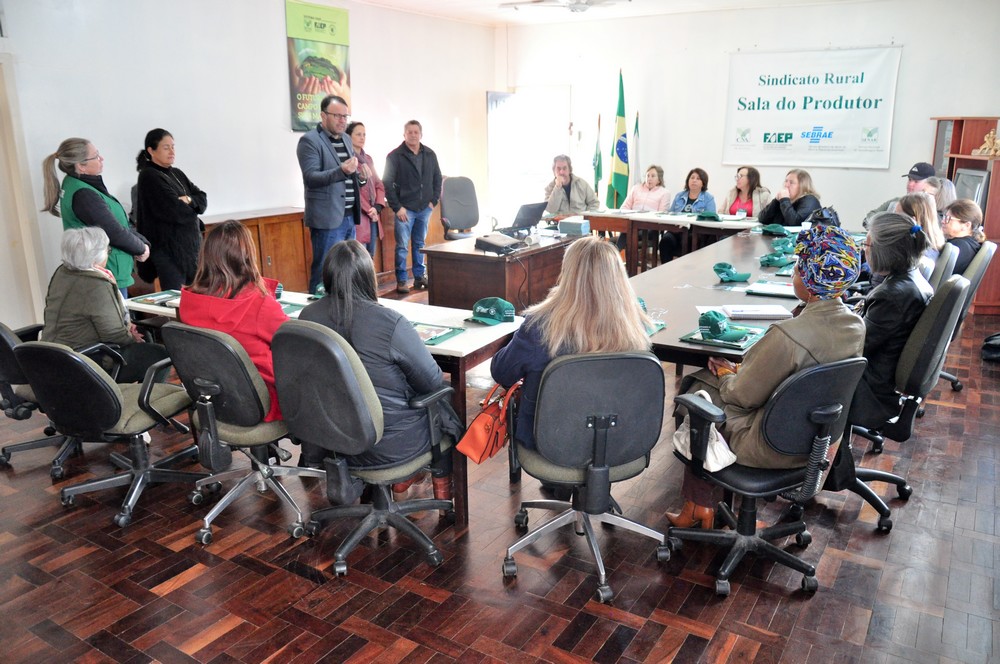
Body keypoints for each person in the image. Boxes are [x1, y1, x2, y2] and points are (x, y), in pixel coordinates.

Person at [668, 224, 865, 528]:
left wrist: (727, 373)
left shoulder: (788, 335)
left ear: (809, 281)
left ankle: (698, 507)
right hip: (815, 442)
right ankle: (705, 506)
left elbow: (741, 397)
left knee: (696, 389)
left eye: (798, 267)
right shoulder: (855, 326)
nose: (794, 272)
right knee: (714, 390)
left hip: (768, 445)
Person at [298, 240, 463, 496]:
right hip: (390, 445)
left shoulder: (308, 316)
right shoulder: (389, 322)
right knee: (442, 401)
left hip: (334, 440)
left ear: (327, 275)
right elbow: (431, 381)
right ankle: (437, 493)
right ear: (368, 277)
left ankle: (402, 481)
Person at [491, 235, 652, 452]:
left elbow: (502, 373)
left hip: (549, 442)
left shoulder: (539, 326)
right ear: (618, 278)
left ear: (567, 274)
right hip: (621, 441)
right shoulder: (636, 326)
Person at [178, 220, 288, 422]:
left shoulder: (188, 301)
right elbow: (292, 341)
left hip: (216, 398)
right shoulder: (259, 304)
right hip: (261, 401)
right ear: (247, 256)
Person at [41, 228, 168, 384]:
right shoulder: (96, 284)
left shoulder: (62, 273)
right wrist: (130, 336)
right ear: (96, 257)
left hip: (51, 354)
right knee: (160, 355)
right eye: (107, 250)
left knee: (144, 338)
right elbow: (114, 335)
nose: (108, 253)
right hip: (84, 361)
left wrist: (128, 328)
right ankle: (138, 398)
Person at [850, 213, 933, 429]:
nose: (863, 250)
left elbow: (855, 346)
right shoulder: (911, 278)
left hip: (867, 389)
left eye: (866, 244)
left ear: (884, 251)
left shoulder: (891, 296)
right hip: (880, 376)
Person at [42, 138, 149, 297]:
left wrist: (141, 242)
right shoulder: (84, 194)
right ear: (81, 166)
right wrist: (141, 248)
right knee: (117, 313)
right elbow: (113, 231)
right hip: (106, 271)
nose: (101, 159)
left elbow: (118, 224)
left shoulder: (76, 184)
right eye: (96, 156)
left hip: (104, 270)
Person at [296, 95, 364, 294]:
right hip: (327, 219)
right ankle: (315, 310)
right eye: (337, 116)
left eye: (345, 116)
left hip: (349, 215)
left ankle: (343, 307)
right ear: (323, 116)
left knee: (347, 270)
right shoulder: (309, 141)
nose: (342, 121)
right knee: (323, 271)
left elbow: (349, 173)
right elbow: (311, 177)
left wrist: (360, 177)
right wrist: (341, 171)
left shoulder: (346, 139)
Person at [135, 128, 207, 290]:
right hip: (169, 252)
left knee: (197, 295)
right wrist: (192, 206)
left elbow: (202, 199)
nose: (172, 151)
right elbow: (176, 211)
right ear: (151, 151)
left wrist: (188, 199)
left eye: (173, 147)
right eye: (166, 147)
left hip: (191, 249)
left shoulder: (177, 173)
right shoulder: (149, 176)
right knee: (176, 299)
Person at [383, 120, 442, 294]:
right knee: (402, 246)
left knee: (419, 244)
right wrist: (397, 208)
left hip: (424, 208)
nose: (413, 135)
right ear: (404, 134)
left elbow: (437, 178)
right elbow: (387, 182)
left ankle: (419, 277)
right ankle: (401, 280)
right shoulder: (394, 156)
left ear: (421, 134)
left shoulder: (430, 154)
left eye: (416, 132)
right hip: (405, 209)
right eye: (410, 132)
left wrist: (433, 202)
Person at [346, 121, 386, 258]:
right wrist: (370, 210)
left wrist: (377, 207)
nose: (362, 137)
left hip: (373, 214)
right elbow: (353, 189)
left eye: (364, 134)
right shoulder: (348, 160)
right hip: (359, 216)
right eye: (358, 134)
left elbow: (379, 185)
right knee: (359, 258)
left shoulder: (368, 159)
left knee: (370, 257)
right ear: (348, 136)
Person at [659, 168, 716, 263]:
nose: (694, 180)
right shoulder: (679, 196)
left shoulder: (708, 198)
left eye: (698, 178)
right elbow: (670, 214)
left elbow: (711, 218)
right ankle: (665, 270)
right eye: (692, 178)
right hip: (676, 230)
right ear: (688, 181)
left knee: (690, 240)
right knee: (665, 240)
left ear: (703, 183)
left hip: (695, 232)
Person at [864, 161, 935, 227]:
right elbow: (869, 218)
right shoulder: (896, 202)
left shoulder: (932, 208)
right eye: (910, 179)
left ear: (929, 184)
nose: (910, 184)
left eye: (916, 181)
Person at [615, 164, 669, 251]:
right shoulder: (636, 188)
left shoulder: (664, 193)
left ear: (659, 180)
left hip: (651, 227)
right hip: (633, 223)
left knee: (630, 231)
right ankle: (616, 253)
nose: (649, 178)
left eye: (653, 176)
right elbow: (624, 207)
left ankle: (615, 253)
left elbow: (662, 214)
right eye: (647, 175)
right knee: (628, 229)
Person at [896, 192, 945, 280]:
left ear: (912, 220)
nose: (892, 219)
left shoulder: (913, 253)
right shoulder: (930, 244)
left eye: (897, 216)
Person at [757, 169, 821, 227]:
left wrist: (784, 200)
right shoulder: (784, 200)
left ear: (802, 186)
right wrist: (776, 201)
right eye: (786, 181)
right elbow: (762, 219)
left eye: (791, 182)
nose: (786, 185)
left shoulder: (810, 200)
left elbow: (795, 223)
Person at [942, 199, 986, 274]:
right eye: (944, 217)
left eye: (948, 219)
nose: (943, 221)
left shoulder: (958, 246)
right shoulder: (970, 244)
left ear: (967, 225)